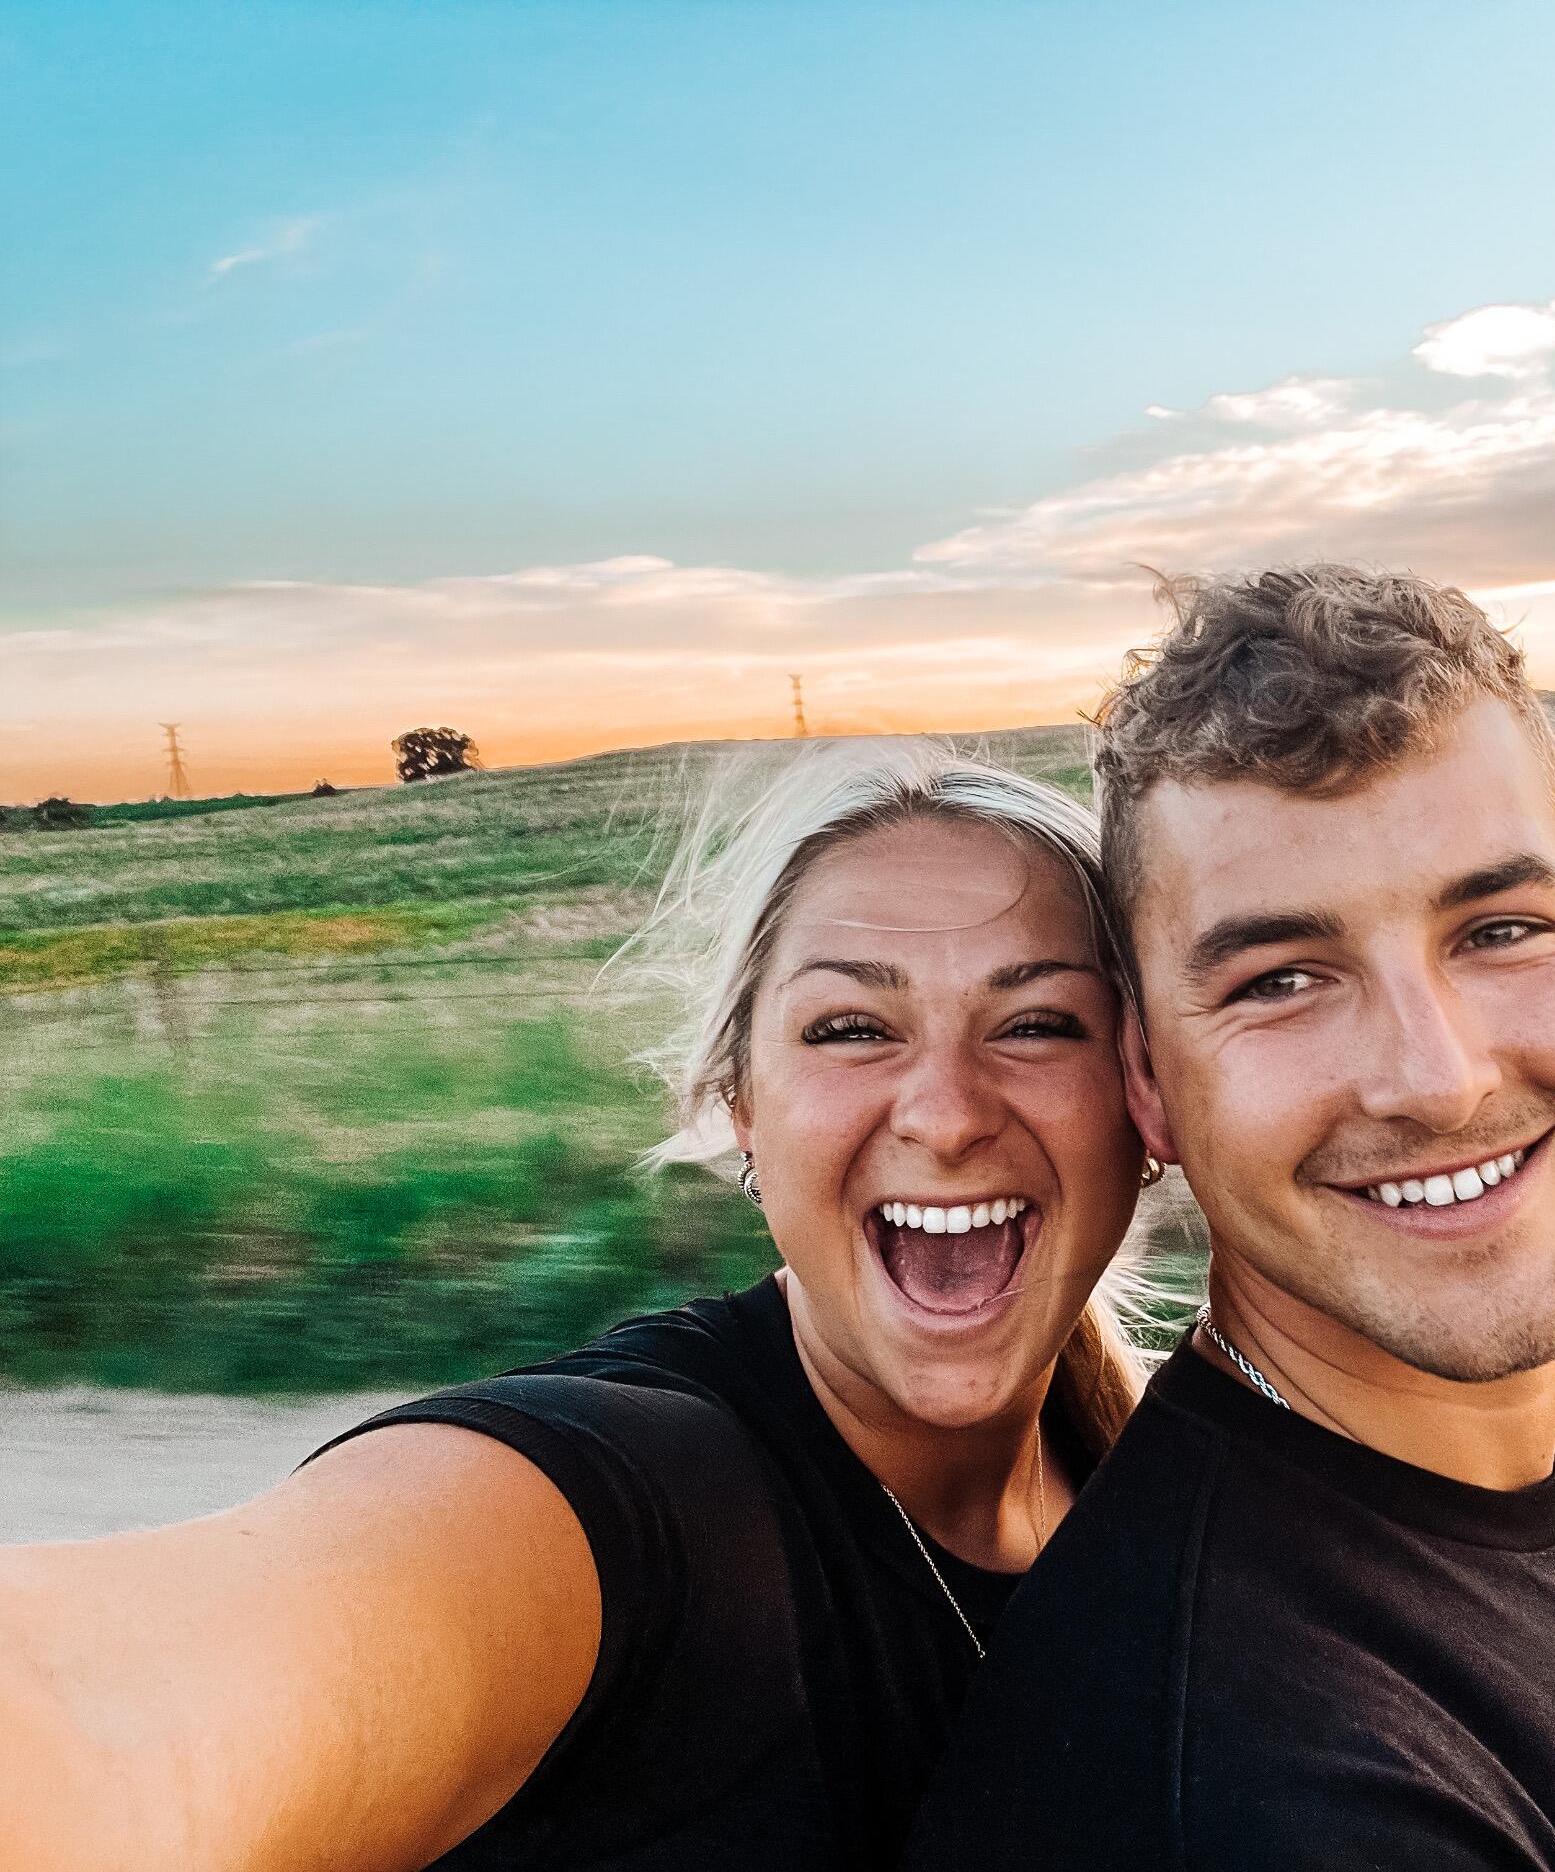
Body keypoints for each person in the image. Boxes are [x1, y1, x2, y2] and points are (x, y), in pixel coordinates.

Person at [0, 749, 1165, 1870]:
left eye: (1038, 1024)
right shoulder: (633, 1505)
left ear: (1149, 1101)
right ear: (739, 1105)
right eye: (852, 1028)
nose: (947, 1113)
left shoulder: (1160, 1486)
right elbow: (98, 1713)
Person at [907, 566, 1555, 1871]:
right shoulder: (1249, 1786)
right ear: (1149, 1080)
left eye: (1501, 928)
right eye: (1285, 978)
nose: (1440, 1074)